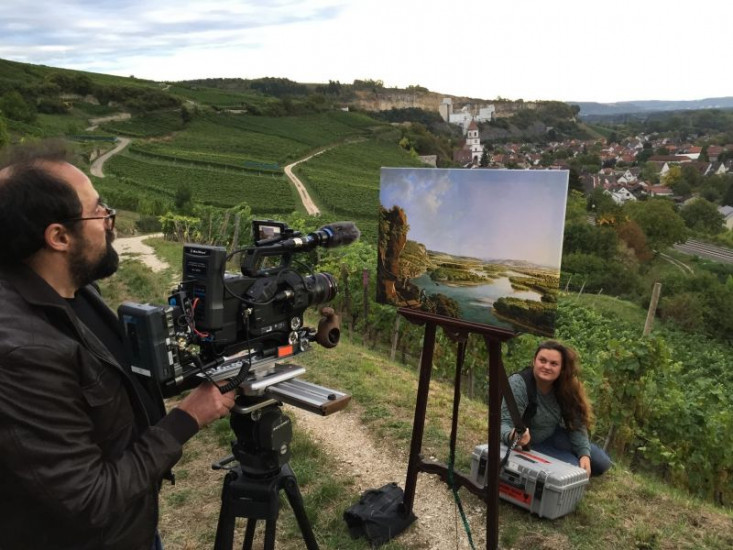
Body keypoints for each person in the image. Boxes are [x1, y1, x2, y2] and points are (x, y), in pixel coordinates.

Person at [0, 140, 237, 550]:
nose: (110, 220)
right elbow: (90, 499)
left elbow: (105, 385)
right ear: (59, 237)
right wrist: (188, 418)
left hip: (129, 525)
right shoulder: (24, 352)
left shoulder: (67, 291)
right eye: (98, 210)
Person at [500, 340, 612, 477]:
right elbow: (504, 423)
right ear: (534, 361)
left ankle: (573, 461)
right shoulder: (519, 383)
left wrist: (584, 454)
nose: (547, 366)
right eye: (542, 360)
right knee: (573, 468)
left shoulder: (565, 386)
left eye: (554, 364)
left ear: (561, 368)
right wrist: (512, 436)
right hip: (531, 443)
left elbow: (576, 423)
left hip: (553, 434)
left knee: (601, 462)